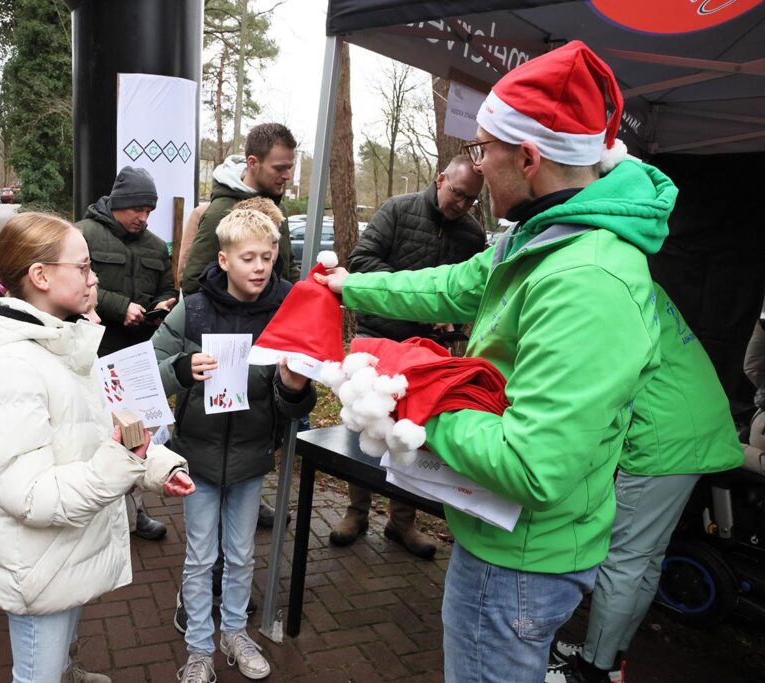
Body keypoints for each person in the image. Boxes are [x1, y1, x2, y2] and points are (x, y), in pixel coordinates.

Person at [314, 41, 674, 682]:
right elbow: (454, 284)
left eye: (483, 149)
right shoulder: (549, 233)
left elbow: (531, 464)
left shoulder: (585, 279)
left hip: (520, 559)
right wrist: (351, 288)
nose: (477, 163)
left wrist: (411, 401)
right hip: (506, 538)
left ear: (529, 157)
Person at [0, 211, 195, 683]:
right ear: (40, 276)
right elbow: (31, 495)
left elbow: (94, 427)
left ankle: (66, 670)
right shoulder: (11, 367)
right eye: (82, 268)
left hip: (64, 552)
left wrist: (157, 466)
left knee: (58, 649)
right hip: (39, 565)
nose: (94, 278)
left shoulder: (61, 342)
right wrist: (126, 462)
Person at [547, 285, 744, 683]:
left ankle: (593, 671)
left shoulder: (605, 287)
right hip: (692, 428)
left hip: (666, 438)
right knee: (647, 555)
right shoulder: (636, 281)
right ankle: (609, 654)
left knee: (622, 560)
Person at [153, 209, 316, 682]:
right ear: (223, 259)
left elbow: (298, 399)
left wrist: (292, 385)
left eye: (268, 256)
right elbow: (152, 363)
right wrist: (183, 369)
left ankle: (236, 632)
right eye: (248, 258)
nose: (260, 267)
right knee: (202, 556)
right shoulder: (195, 308)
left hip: (250, 456)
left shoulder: (288, 308)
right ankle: (200, 648)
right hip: (199, 456)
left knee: (243, 554)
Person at [330, 154, 486, 558]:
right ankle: (355, 511)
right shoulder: (397, 211)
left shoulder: (472, 235)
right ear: (440, 180)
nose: (463, 204)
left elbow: (470, 298)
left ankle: (403, 522)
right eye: (458, 193)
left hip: (422, 352)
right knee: (362, 427)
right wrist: (413, 295)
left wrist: (450, 323)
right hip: (376, 339)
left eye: (472, 199)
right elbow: (361, 263)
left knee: (411, 436)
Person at [77, 165, 177, 541]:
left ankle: (134, 512)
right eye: (137, 208)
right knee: (93, 437)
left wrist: (163, 304)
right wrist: (121, 307)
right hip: (92, 354)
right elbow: (71, 287)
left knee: (135, 437)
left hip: (134, 358)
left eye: (149, 210)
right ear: (118, 203)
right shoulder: (83, 234)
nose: (143, 217)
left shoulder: (155, 245)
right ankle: (93, 515)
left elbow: (168, 287)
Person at [181, 122, 301, 295]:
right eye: (279, 168)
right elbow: (194, 282)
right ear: (252, 163)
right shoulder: (220, 213)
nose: (287, 176)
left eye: (289, 168)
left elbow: (287, 267)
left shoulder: (279, 209)